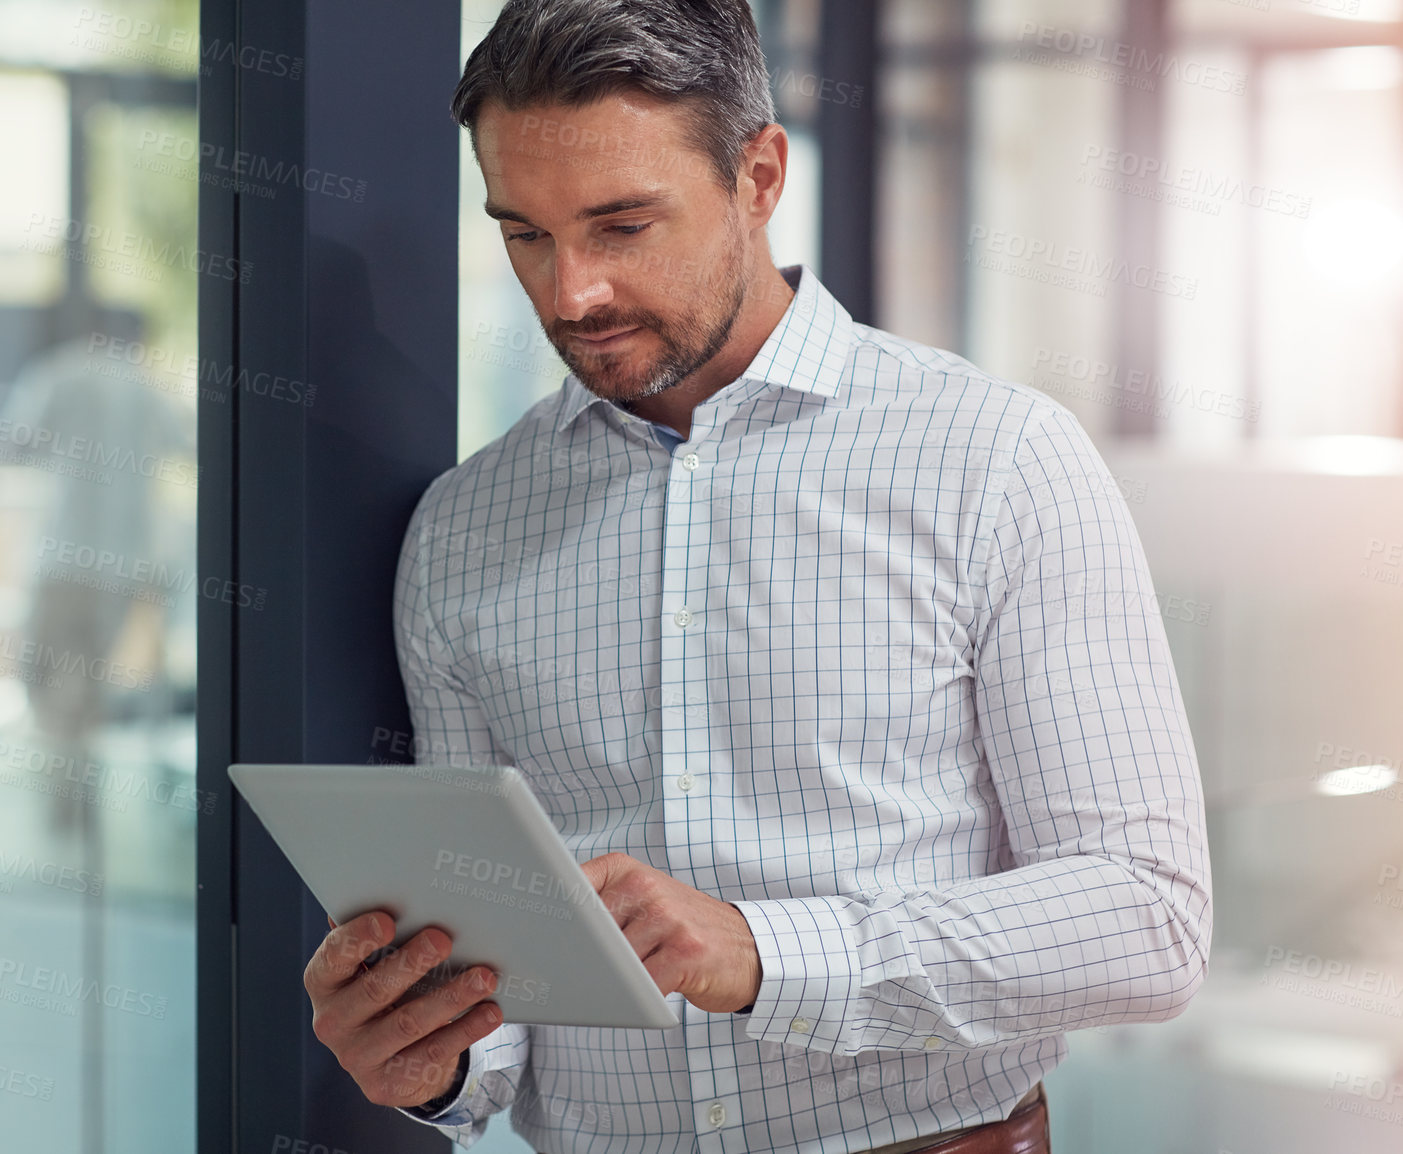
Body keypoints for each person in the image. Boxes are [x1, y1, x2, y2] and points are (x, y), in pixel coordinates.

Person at [302, 2, 1212, 1152]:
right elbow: (508, 994)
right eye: (524, 233)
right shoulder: (462, 526)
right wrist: (436, 1053)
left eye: (622, 225)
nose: (571, 292)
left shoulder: (997, 460)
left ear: (761, 174)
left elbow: (1145, 914)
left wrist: (769, 951)